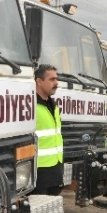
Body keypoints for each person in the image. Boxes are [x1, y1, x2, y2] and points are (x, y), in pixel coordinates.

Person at [33, 64, 64, 195]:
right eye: (52, 79)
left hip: (55, 167)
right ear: (39, 81)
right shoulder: (30, 104)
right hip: (39, 170)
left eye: (56, 79)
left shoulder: (53, 105)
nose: (56, 83)